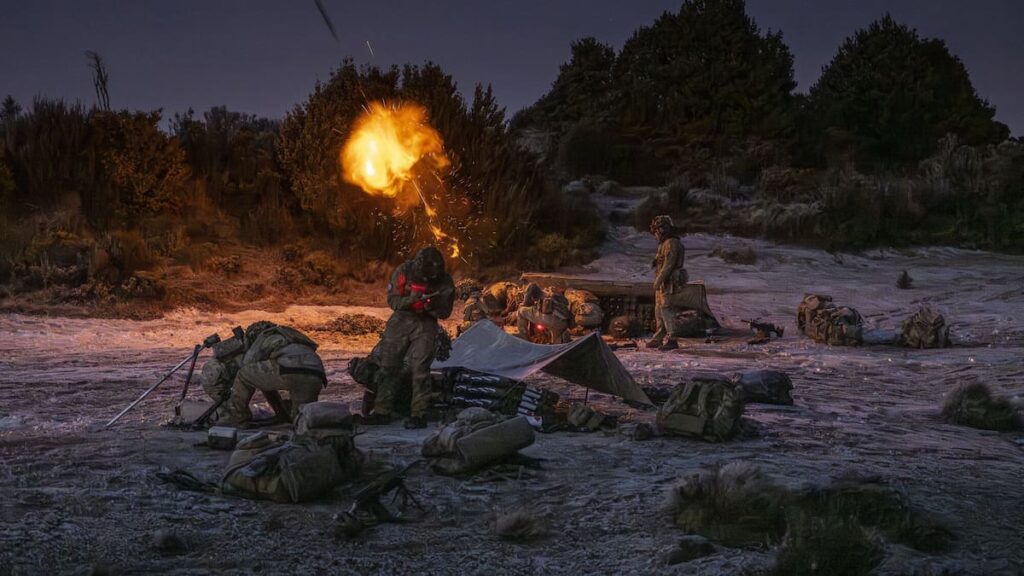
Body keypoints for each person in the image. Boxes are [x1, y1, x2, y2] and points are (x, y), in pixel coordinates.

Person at [364, 246, 455, 429]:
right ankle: (382, 410)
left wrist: (430, 305)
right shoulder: (404, 271)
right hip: (401, 320)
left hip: (426, 322)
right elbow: (393, 300)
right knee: (389, 366)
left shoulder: (445, 281)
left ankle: (418, 414)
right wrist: (411, 299)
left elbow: (446, 312)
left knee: (420, 369)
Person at [219, 321, 327, 425]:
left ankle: (236, 416)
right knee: (302, 419)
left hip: (290, 369)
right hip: (316, 374)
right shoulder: (291, 336)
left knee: (244, 374)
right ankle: (285, 415)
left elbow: (247, 363)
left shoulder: (265, 335)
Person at [647, 215, 688, 351]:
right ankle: (658, 337)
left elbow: (668, 265)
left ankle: (672, 338)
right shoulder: (664, 244)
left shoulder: (672, 243)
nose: (656, 235)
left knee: (666, 309)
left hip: (669, 282)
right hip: (663, 282)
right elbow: (660, 261)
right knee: (659, 310)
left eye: (657, 231)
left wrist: (658, 281)